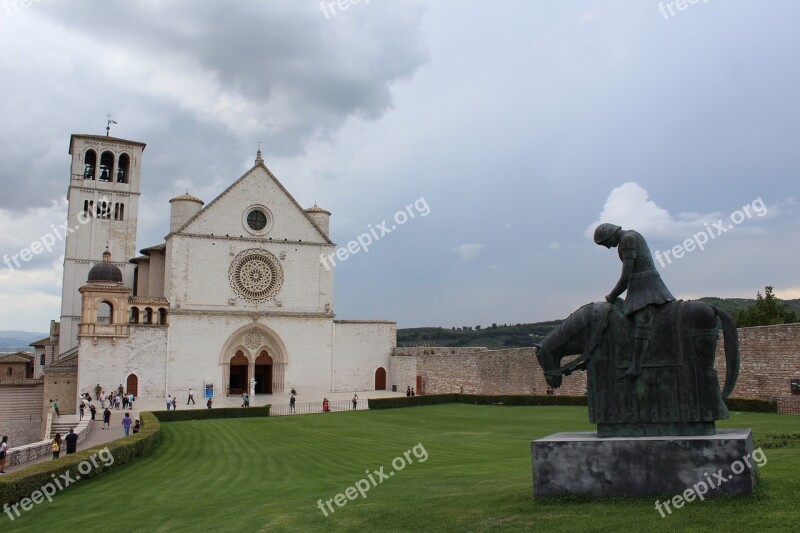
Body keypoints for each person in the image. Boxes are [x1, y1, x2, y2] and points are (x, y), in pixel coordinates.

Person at [594, 223, 675, 379]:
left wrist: (612, 295)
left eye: (605, 244)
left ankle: (636, 366)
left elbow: (626, 277)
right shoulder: (630, 236)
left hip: (646, 286)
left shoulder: (628, 239)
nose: (608, 248)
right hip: (639, 285)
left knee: (641, 319)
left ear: (610, 235)